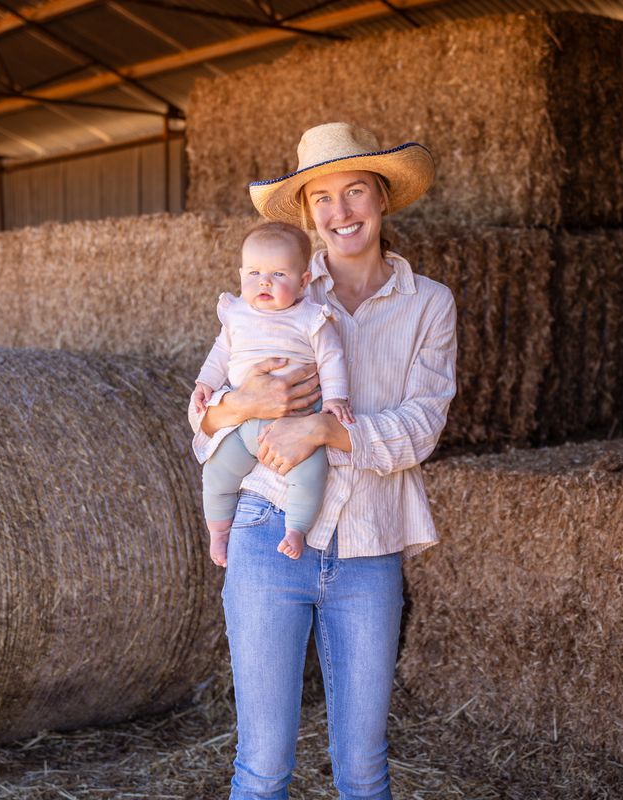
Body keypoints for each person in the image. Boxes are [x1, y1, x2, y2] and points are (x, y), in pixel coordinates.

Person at [192, 121, 457, 800]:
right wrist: (240, 404)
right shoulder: (272, 295)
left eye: (356, 191)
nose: (341, 211)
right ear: (308, 215)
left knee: (364, 769)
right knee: (262, 766)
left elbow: (422, 428)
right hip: (265, 532)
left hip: (370, 545)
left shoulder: (429, 305)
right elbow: (204, 428)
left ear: (383, 198)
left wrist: (322, 430)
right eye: (322, 198)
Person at [188, 220, 354, 567]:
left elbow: (331, 359)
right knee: (216, 472)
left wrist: (336, 398)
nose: (264, 282)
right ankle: (218, 531)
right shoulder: (236, 313)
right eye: (254, 273)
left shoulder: (311, 318)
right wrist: (205, 383)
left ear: (303, 281)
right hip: (242, 426)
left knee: (310, 474)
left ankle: (296, 529)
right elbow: (220, 354)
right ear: (240, 275)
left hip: (298, 422)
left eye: (278, 274)